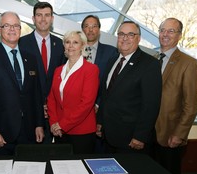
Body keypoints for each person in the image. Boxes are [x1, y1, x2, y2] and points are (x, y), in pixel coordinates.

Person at [0, 11, 44, 156]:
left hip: (30, 133)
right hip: (2, 134)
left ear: (20, 29)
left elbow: (36, 95)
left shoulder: (31, 58)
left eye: (16, 26)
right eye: (7, 25)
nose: (12, 29)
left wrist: (39, 124)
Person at [96, 21, 162, 154]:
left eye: (130, 34)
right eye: (121, 34)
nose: (125, 38)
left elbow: (151, 105)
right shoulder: (113, 60)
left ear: (138, 38)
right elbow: (106, 96)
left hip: (131, 139)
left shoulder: (150, 64)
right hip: (109, 135)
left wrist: (140, 136)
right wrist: (100, 122)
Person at [153, 17, 197, 174]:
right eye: (162, 30)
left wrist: (179, 134)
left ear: (179, 35)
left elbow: (192, 105)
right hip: (148, 134)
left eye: (171, 31)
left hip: (170, 135)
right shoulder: (152, 59)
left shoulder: (189, 63)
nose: (165, 34)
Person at [19, 2, 65, 144]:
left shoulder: (61, 45)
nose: (43, 19)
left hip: (55, 112)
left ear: (52, 18)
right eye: (39, 15)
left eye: (47, 15)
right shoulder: (21, 43)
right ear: (33, 19)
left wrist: (50, 105)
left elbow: (63, 79)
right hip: (30, 112)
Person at [47, 31, 99, 154]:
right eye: (67, 42)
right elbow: (52, 99)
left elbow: (87, 103)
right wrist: (54, 123)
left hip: (81, 132)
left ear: (82, 46)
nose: (71, 46)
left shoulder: (91, 70)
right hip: (59, 131)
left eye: (75, 42)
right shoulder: (58, 70)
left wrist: (62, 124)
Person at [81, 14, 118, 153]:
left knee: (99, 153)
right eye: (86, 26)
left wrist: (98, 103)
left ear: (99, 30)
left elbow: (113, 84)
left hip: (101, 111)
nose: (90, 30)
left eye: (94, 26)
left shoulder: (111, 52)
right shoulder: (72, 51)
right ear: (82, 30)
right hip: (76, 112)